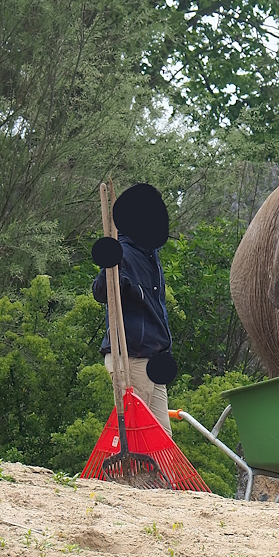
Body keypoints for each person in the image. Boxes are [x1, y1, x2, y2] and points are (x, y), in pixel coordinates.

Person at [91, 183, 174, 436]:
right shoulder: (124, 254)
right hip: (130, 358)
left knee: (162, 438)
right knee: (139, 437)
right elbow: (102, 292)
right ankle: (127, 477)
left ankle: (151, 478)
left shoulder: (151, 259)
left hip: (152, 359)